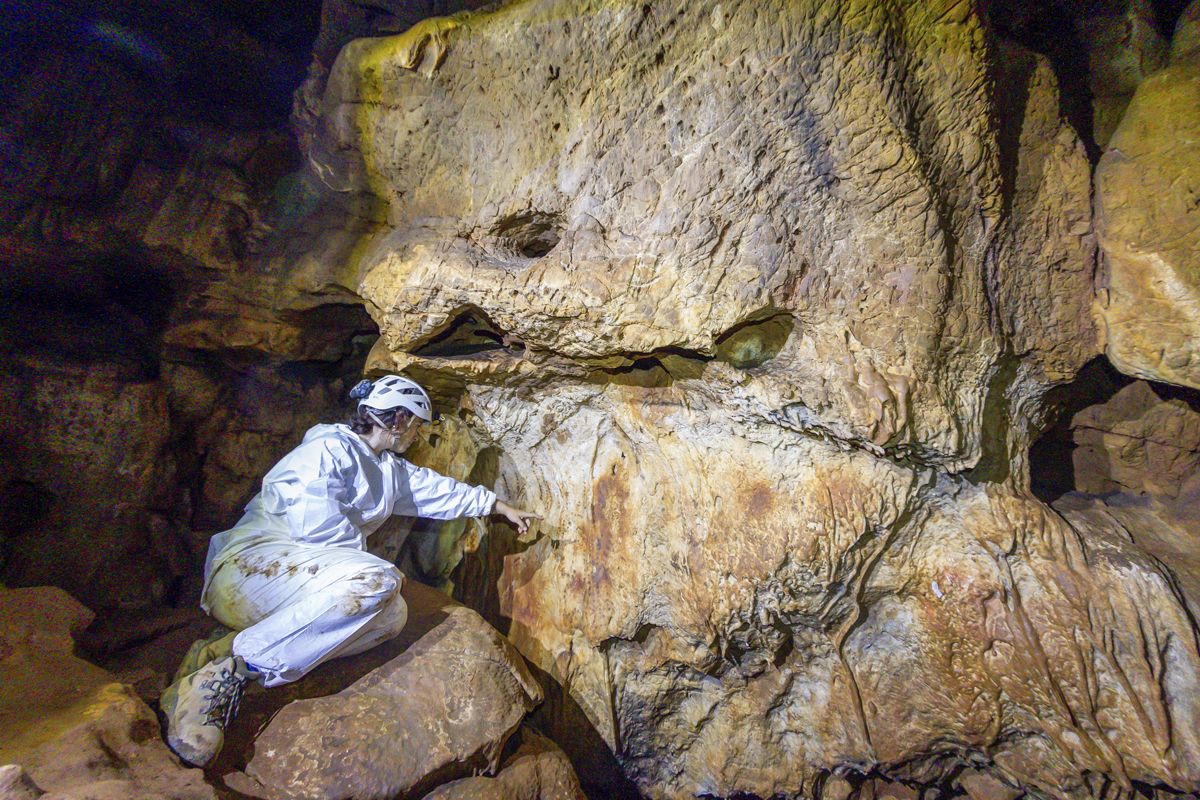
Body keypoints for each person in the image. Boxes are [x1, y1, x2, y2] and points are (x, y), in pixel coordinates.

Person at [161, 374, 539, 767]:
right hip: (249, 569)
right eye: (415, 424)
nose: (417, 435)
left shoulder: (386, 468)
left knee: (392, 616)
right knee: (378, 581)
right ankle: (229, 672)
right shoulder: (325, 451)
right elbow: (319, 531)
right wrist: (365, 573)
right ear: (397, 421)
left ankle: (228, 651)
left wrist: (498, 506)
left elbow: (438, 491)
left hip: (299, 580)